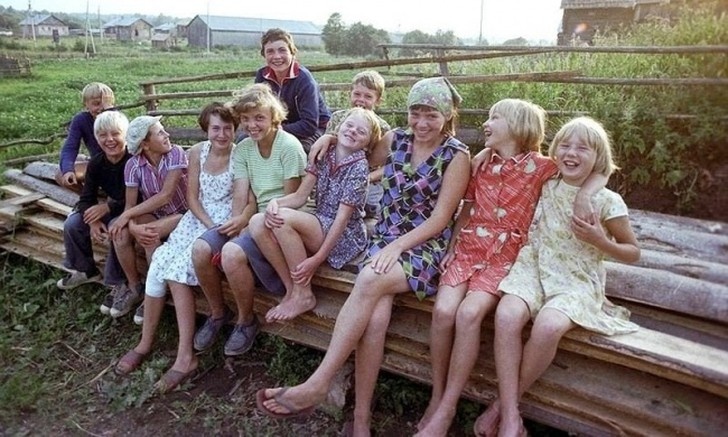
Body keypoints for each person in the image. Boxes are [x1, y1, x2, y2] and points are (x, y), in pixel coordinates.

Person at [255, 77, 471, 437]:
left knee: (369, 278)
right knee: (374, 320)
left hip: (425, 247)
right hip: (384, 239)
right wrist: (329, 138)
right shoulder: (396, 139)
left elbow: (440, 219)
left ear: (447, 116)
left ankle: (318, 383)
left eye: (431, 115)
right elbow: (355, 153)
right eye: (415, 113)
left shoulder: (456, 156)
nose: (421, 123)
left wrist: (396, 247)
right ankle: (361, 418)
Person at [415, 99, 604, 437]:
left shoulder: (542, 167)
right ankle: (437, 395)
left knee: (468, 313)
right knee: (443, 312)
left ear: (517, 126)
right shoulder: (480, 164)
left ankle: (447, 408)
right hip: (468, 247)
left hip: (505, 255)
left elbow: (599, 170)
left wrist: (585, 195)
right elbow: (467, 209)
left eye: (495, 117)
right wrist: (453, 245)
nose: (486, 123)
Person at [477, 117, 640, 437]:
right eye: (565, 145)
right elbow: (514, 157)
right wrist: (486, 151)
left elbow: (633, 252)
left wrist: (601, 241)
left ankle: (503, 408)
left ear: (598, 157)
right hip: (533, 268)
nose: (571, 153)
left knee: (549, 325)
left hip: (575, 279)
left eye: (583, 148)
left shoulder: (607, 201)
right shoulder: (546, 181)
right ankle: (511, 416)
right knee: (506, 315)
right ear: (555, 150)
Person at [114, 102, 239, 393]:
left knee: (178, 271)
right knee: (160, 261)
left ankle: (185, 358)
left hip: (225, 221)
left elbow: (242, 199)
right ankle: (145, 343)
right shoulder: (197, 152)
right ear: (206, 130)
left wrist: (216, 228)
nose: (221, 134)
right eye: (215, 128)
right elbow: (192, 197)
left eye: (228, 128)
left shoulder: (241, 155)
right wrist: (205, 222)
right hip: (197, 217)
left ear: (236, 129)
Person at [192, 83, 306, 357]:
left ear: (273, 117)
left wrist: (247, 229)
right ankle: (217, 313)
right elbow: (241, 192)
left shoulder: (288, 146)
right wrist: (237, 223)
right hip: (253, 217)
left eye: (259, 118)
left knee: (231, 254)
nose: (252, 125)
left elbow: (291, 200)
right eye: (245, 119)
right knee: (200, 249)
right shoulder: (244, 148)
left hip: (280, 219)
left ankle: (246, 321)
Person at [249, 107, 382, 323]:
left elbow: (342, 220)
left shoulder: (359, 168)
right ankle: (292, 289)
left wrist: (317, 259)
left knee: (283, 220)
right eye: (349, 125)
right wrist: (276, 202)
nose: (352, 131)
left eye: (361, 131)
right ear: (339, 128)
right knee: (257, 221)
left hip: (344, 236)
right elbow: (300, 196)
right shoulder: (324, 153)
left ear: (367, 144)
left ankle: (304, 294)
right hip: (320, 223)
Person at [104, 115, 189, 320]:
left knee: (149, 233)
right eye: (160, 133)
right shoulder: (133, 165)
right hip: (157, 215)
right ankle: (135, 287)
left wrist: (127, 216)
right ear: (145, 144)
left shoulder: (175, 153)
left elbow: (166, 195)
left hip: (185, 215)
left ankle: (153, 295)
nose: (167, 134)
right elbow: (131, 204)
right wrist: (132, 226)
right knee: (121, 233)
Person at [56, 111, 130, 295]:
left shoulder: (133, 160)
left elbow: (140, 197)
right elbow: (86, 198)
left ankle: (117, 282)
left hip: (131, 210)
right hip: (112, 208)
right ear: (96, 138)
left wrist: (108, 207)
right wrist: (93, 221)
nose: (109, 140)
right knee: (73, 224)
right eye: (103, 135)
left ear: (126, 135)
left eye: (115, 134)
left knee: (116, 229)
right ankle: (85, 270)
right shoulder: (97, 163)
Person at [325, 70, 391, 219]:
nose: (361, 100)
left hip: (368, 180)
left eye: (368, 96)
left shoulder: (382, 127)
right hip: (337, 176)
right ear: (350, 94)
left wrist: (367, 178)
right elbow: (328, 150)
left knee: (370, 204)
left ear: (378, 101)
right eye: (357, 94)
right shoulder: (338, 118)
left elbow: (389, 165)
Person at [253, 28, 331, 152]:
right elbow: (256, 109)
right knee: (245, 140)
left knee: (294, 149)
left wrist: (276, 130)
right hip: (277, 127)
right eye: (270, 51)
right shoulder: (262, 76)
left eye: (282, 50)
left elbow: (309, 125)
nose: (277, 56)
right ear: (264, 55)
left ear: (292, 52)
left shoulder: (304, 80)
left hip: (314, 128)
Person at [56, 82, 115, 191]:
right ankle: (89, 196)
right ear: (86, 104)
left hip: (117, 164)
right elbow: (70, 147)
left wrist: (108, 111)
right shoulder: (81, 120)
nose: (101, 108)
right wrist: (68, 170)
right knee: (63, 173)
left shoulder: (116, 118)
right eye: (96, 104)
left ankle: (108, 195)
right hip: (98, 162)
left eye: (106, 104)